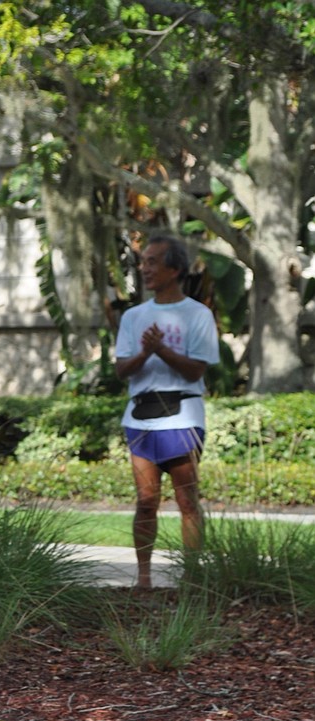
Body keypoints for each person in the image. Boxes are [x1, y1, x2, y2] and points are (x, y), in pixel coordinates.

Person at [115, 234, 220, 588]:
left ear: (174, 269)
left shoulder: (198, 314)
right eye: (143, 262)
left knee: (186, 500)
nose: (144, 269)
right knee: (146, 501)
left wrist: (161, 349)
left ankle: (191, 578)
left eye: (152, 262)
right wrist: (146, 353)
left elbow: (195, 371)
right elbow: (121, 369)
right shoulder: (134, 316)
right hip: (140, 417)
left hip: (183, 415)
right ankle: (144, 580)